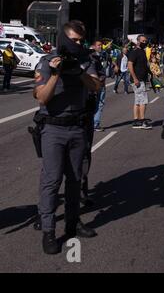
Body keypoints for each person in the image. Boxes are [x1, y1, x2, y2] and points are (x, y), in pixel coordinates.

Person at [32, 20, 101, 254]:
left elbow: (96, 87)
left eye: (81, 40)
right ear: (63, 39)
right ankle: (49, 230)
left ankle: (72, 224)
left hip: (77, 127)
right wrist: (56, 73)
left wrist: (78, 71)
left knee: (75, 180)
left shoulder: (85, 60)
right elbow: (41, 98)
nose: (78, 44)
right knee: (52, 181)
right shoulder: (45, 62)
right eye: (74, 40)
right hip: (53, 128)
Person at [128, 35, 153, 130]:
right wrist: (135, 78)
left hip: (141, 79)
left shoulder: (142, 51)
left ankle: (136, 121)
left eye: (146, 41)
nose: (145, 42)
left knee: (138, 101)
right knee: (143, 100)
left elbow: (144, 65)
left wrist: (150, 73)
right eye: (143, 41)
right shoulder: (134, 52)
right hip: (137, 80)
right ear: (138, 41)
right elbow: (130, 65)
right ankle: (142, 121)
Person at [90, 40, 107, 132]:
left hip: (101, 83)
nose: (101, 47)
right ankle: (94, 124)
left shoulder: (100, 56)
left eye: (101, 45)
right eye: (98, 45)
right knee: (97, 104)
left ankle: (94, 123)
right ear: (93, 46)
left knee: (99, 104)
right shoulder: (93, 57)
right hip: (96, 84)